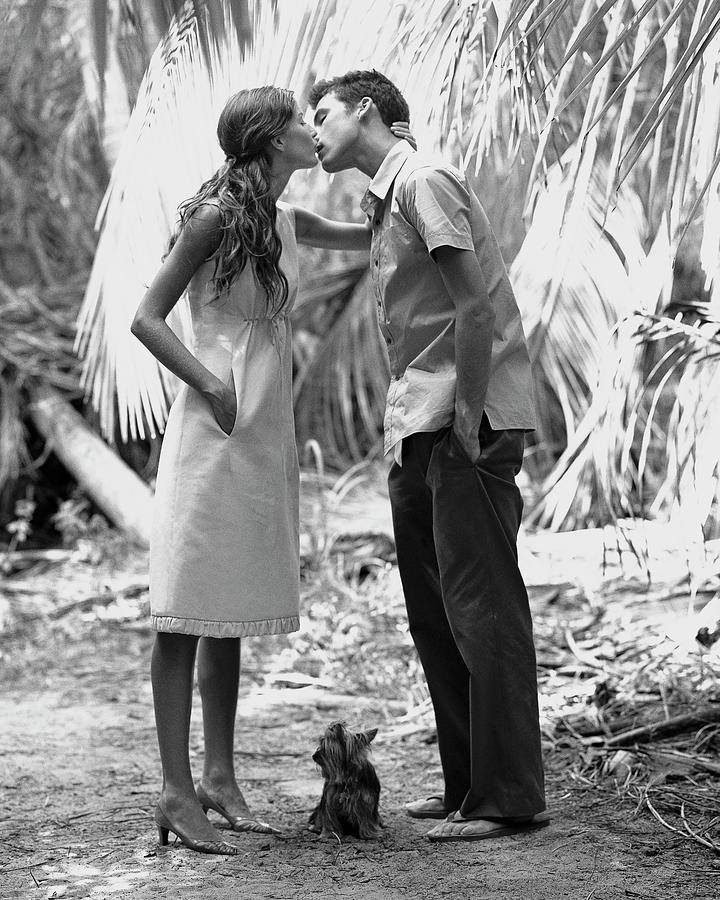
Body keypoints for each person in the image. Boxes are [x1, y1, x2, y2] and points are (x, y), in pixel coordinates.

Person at [131, 85, 412, 854]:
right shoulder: (214, 218)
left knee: (229, 604)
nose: (309, 129)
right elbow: (146, 317)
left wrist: (408, 172)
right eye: (298, 120)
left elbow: (366, 233)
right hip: (213, 420)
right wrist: (211, 381)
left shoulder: (282, 220)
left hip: (262, 428)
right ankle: (175, 790)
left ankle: (219, 778)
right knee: (184, 607)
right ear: (267, 139)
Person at [309, 70, 548, 842]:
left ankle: (509, 798)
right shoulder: (385, 201)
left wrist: (472, 419)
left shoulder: (426, 179)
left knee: (483, 607)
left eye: (323, 113)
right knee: (436, 613)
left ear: (368, 111)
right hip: (418, 422)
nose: (313, 129)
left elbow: (475, 304)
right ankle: (465, 786)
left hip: (462, 419)